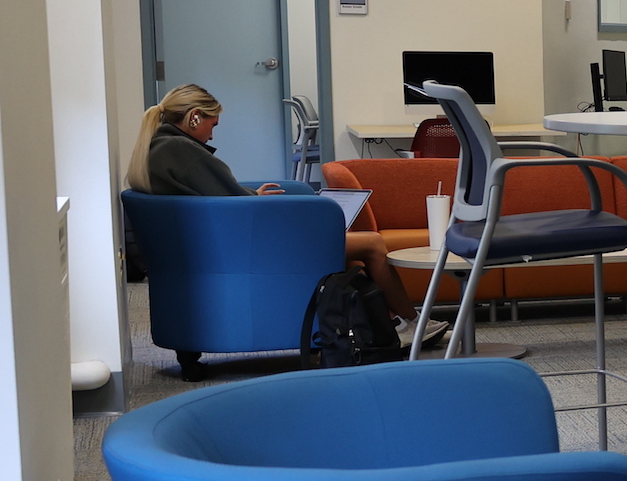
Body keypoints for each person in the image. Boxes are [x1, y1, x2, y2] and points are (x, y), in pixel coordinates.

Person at [125, 84, 440, 343]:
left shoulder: (159, 148)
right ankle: (412, 324)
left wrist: (252, 195)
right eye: (212, 125)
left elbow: (218, 198)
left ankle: (391, 327)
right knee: (371, 243)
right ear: (195, 117)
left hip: (221, 247)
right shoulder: (183, 152)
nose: (212, 135)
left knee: (354, 257)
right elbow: (229, 203)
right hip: (249, 251)